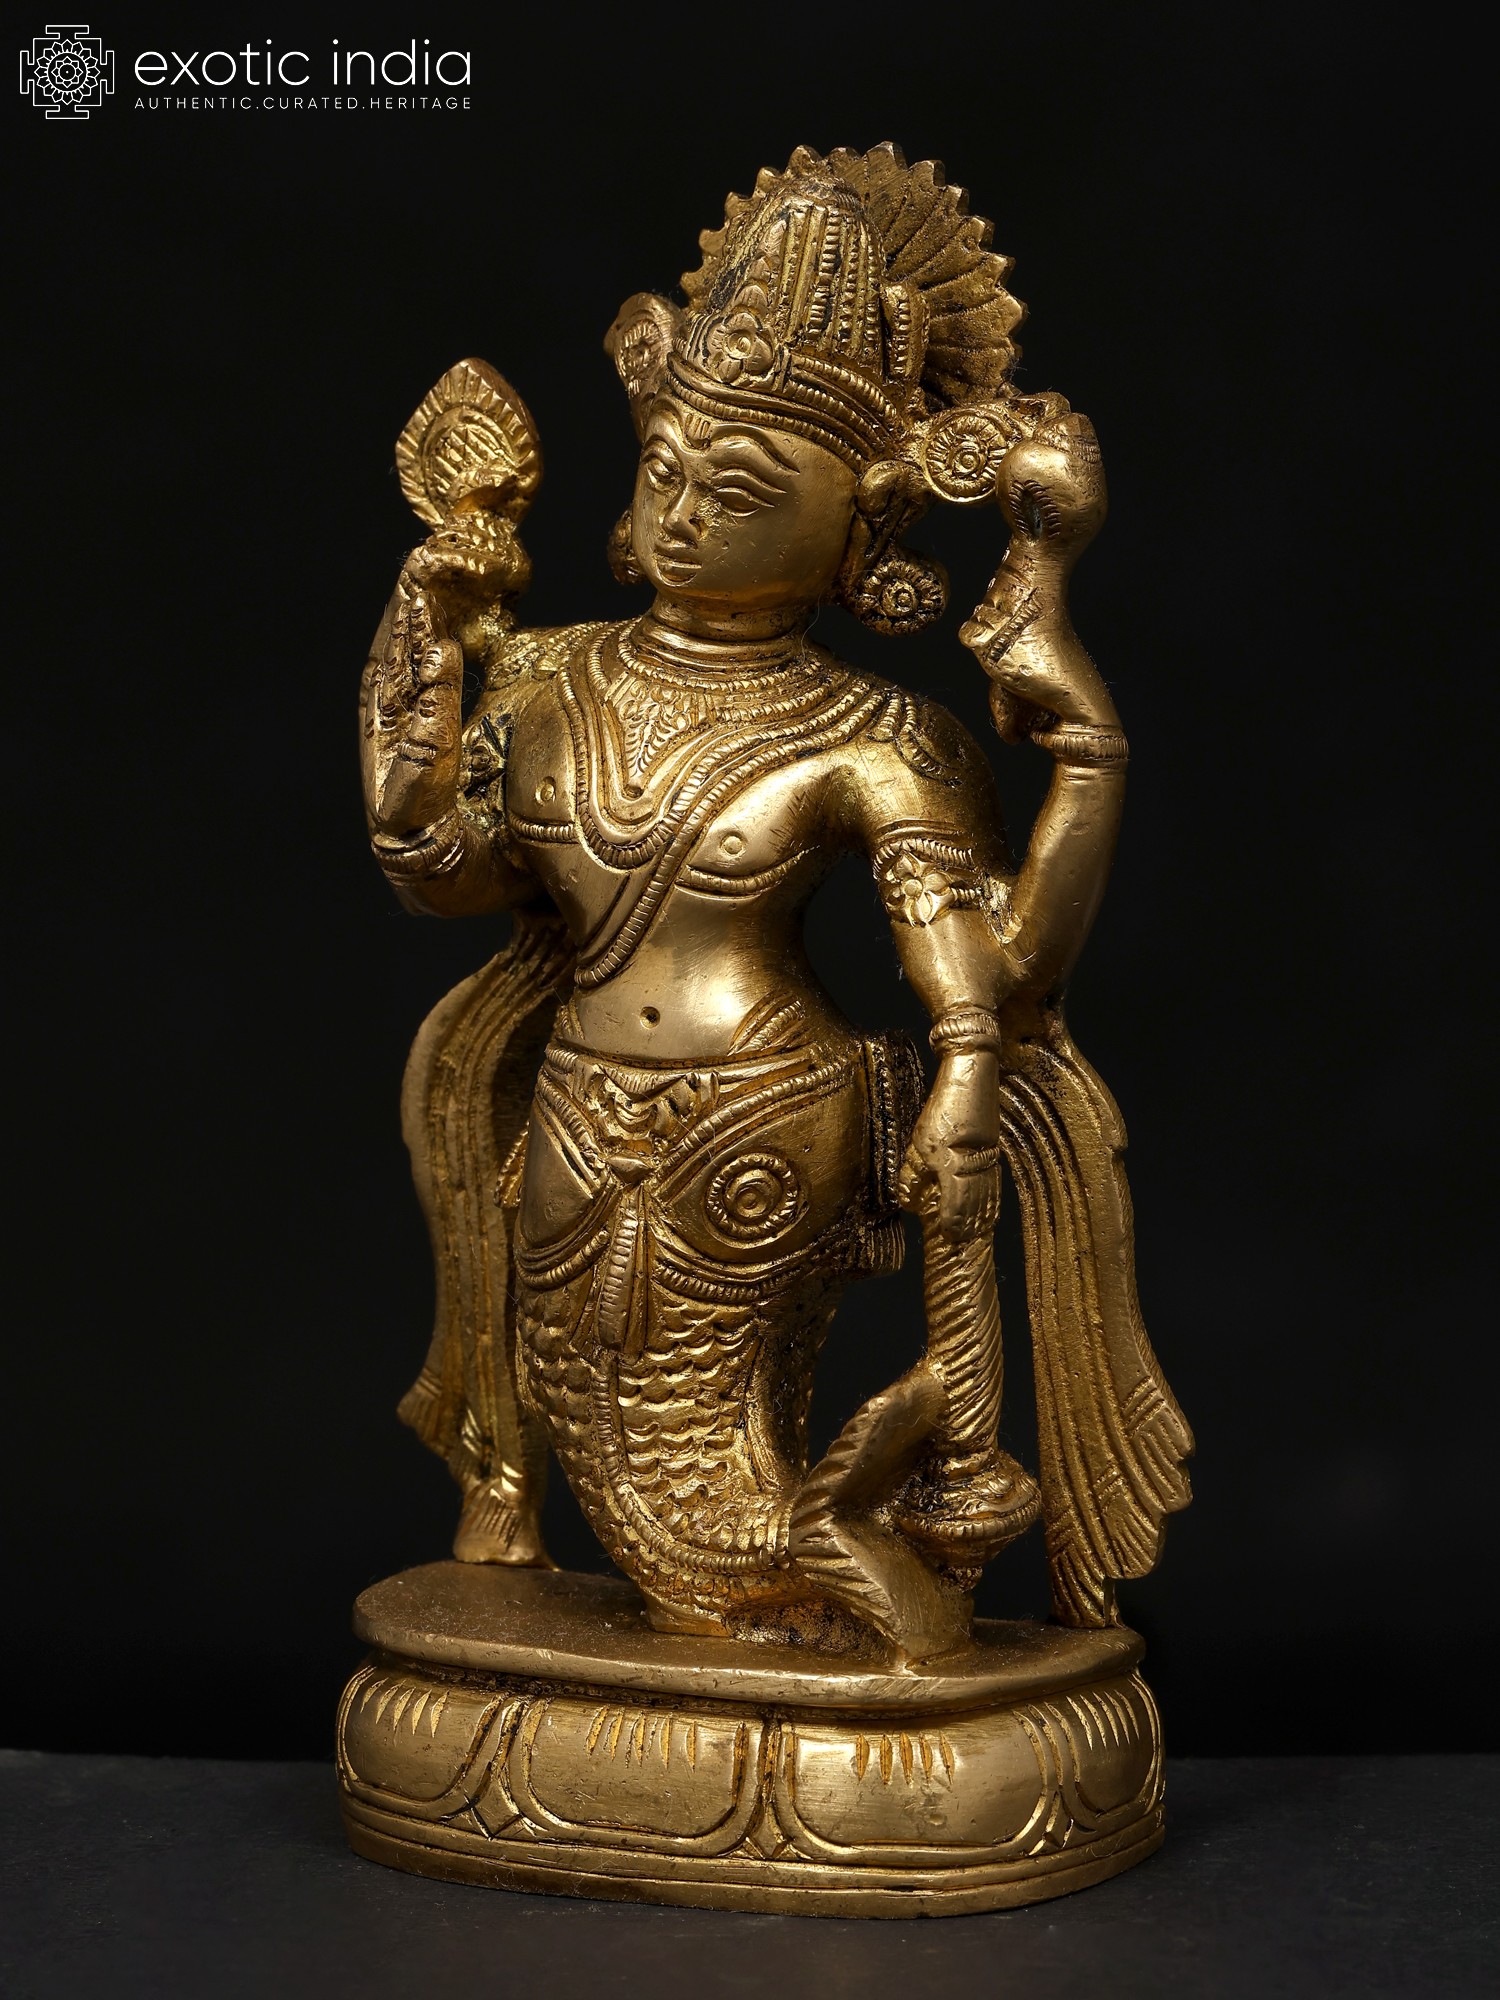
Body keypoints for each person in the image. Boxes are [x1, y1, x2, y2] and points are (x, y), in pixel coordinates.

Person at [360, 146, 1191, 1658]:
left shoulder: (871, 736)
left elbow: (985, 970)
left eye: (738, 489)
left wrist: (1086, 756)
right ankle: (805, 1554)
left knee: (706, 1438)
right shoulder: (549, 678)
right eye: (665, 470)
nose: (684, 514)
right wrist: (419, 663)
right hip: (575, 1097)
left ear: (859, 531)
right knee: (585, 1398)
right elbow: (448, 873)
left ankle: (825, 1555)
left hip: (761, 1107)